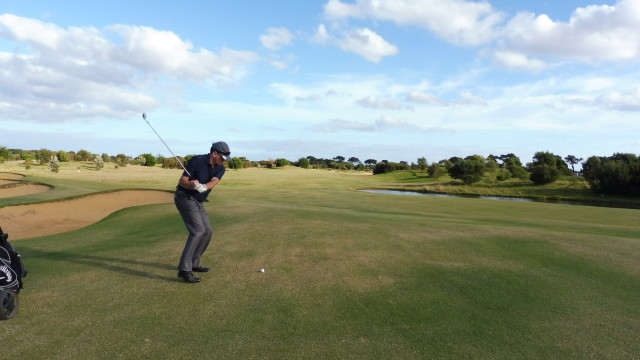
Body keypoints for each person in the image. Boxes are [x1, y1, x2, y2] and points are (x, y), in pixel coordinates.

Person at [174, 141, 231, 283]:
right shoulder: (197, 160)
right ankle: (184, 270)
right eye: (222, 157)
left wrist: (204, 187)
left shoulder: (220, 168)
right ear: (215, 153)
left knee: (208, 231)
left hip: (198, 201)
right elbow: (182, 181)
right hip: (184, 197)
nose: (224, 161)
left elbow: (214, 181)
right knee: (198, 231)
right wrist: (192, 185)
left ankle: (194, 263)